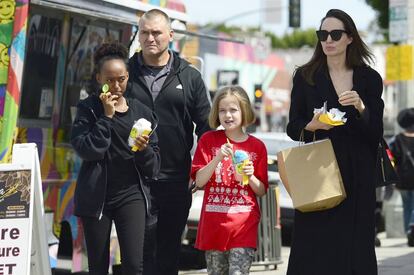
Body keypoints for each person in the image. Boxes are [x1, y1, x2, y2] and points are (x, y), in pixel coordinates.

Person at [286, 9, 384, 275]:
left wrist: (362, 107)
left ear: (349, 38)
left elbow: (376, 132)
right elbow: (293, 127)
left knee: (356, 248)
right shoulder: (305, 76)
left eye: (335, 34)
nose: (328, 40)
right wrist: (313, 125)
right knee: (316, 247)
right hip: (320, 172)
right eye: (323, 34)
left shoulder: (369, 78)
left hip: (358, 175)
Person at [127, 9, 211, 275]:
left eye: (157, 32)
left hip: (176, 179)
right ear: (138, 35)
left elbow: (207, 129)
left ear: (170, 35)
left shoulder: (190, 76)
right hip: (133, 179)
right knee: (138, 254)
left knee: (168, 252)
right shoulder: (124, 74)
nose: (150, 38)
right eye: (145, 32)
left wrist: (199, 171)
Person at [71, 42, 160, 275]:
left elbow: (154, 167)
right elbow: (88, 149)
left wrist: (144, 150)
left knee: (133, 265)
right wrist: (106, 118)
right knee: (98, 267)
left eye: (121, 78)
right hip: (96, 198)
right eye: (109, 79)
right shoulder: (88, 109)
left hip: (131, 196)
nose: (116, 85)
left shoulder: (142, 113)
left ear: (128, 76)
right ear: (99, 77)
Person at [191, 85, 268, 274]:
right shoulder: (208, 140)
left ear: (245, 111)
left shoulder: (257, 146)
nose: (228, 115)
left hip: (244, 225)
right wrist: (217, 157)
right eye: (222, 110)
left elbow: (261, 190)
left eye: (233, 110)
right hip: (214, 225)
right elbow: (199, 181)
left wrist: (249, 176)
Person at [390, 108, 414, 246]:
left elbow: (391, 159)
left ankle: (408, 231)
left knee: (407, 205)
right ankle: (412, 226)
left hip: (403, 179)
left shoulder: (396, 139)